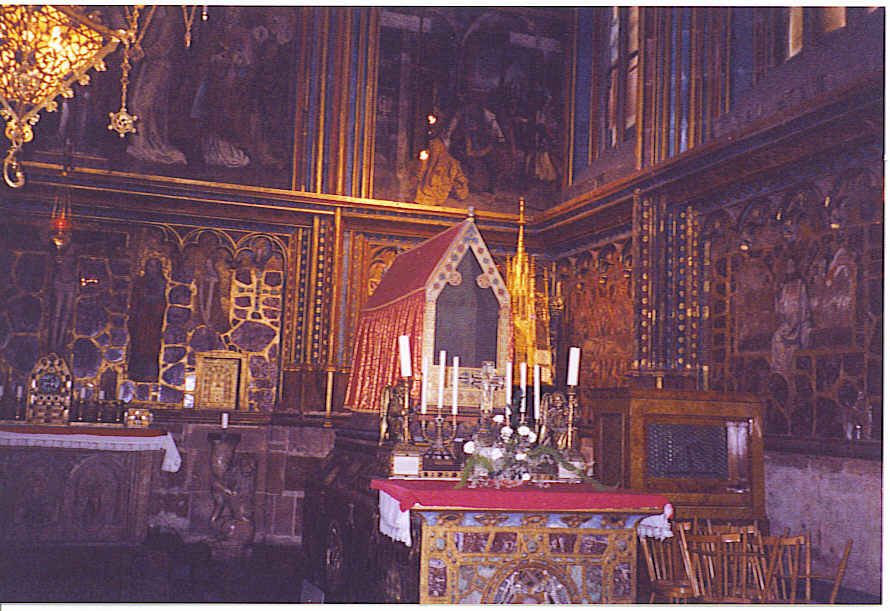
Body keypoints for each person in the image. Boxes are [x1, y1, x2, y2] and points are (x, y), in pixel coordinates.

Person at [413, 137, 469, 206]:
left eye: (435, 146)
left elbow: (461, 182)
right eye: (432, 146)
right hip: (423, 198)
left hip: (439, 199)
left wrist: (461, 193)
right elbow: (418, 175)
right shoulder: (426, 158)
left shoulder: (452, 163)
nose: (433, 149)